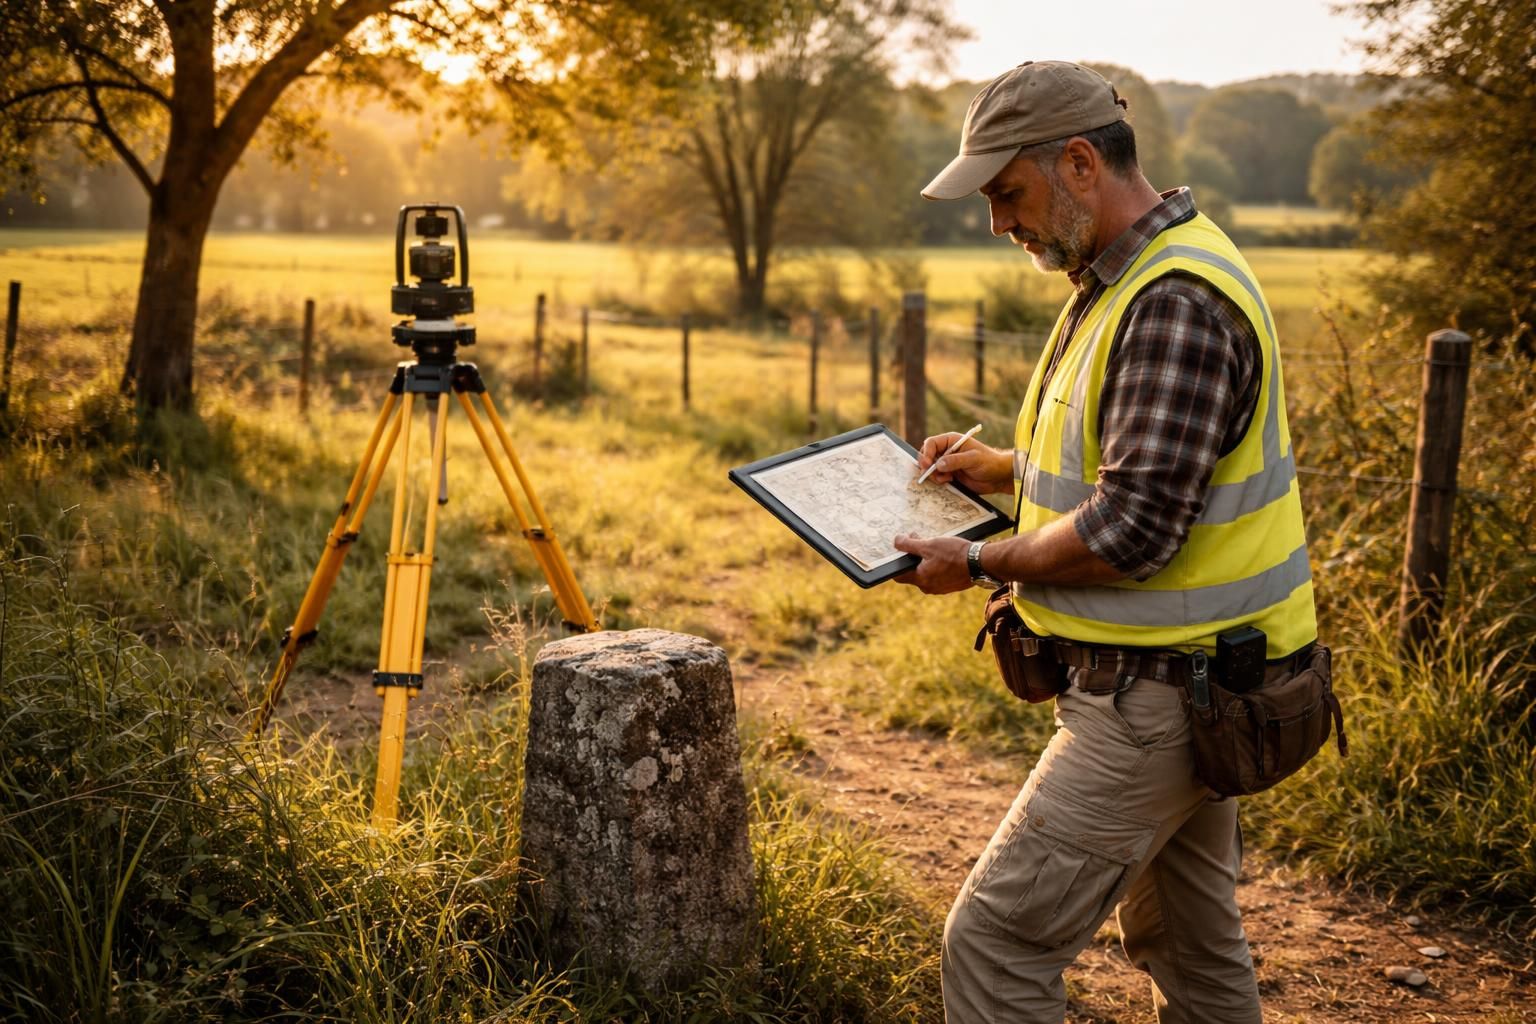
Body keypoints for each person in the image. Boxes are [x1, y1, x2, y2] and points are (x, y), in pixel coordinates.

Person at [891, 61, 1317, 1023]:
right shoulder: (1125, 273)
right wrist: (1001, 467)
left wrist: (978, 560)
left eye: (1008, 192)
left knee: (996, 946)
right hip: (1200, 681)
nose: (1001, 224)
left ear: (1080, 161)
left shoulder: (1170, 301)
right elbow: (1135, 466)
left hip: (1159, 699)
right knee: (1192, 950)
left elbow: (1132, 531)